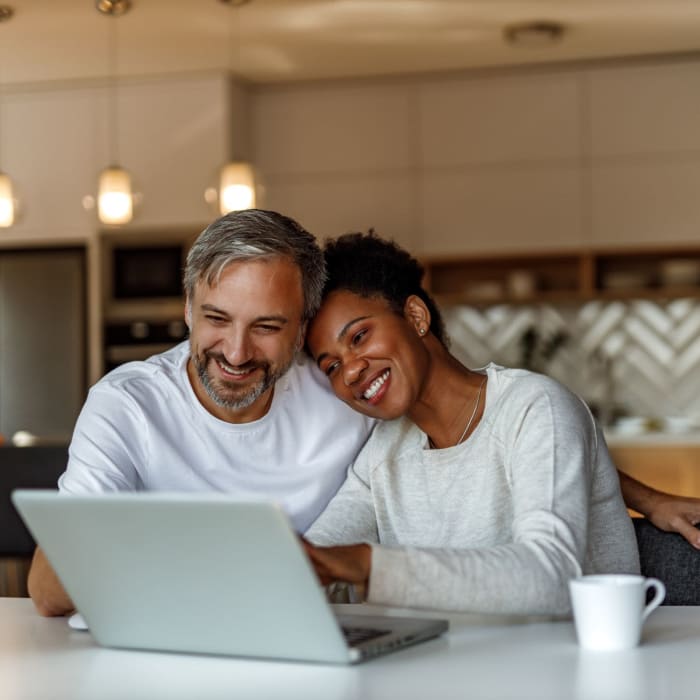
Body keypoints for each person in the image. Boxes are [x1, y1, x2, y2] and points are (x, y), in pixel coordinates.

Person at [27, 209, 374, 616]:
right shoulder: (127, 405)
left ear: (301, 330)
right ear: (189, 308)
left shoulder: (347, 400)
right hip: (167, 646)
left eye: (266, 327)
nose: (236, 352)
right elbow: (50, 592)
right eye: (217, 318)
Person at [302, 231, 641, 614]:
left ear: (415, 316)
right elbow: (317, 559)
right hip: (452, 667)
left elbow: (553, 575)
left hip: (567, 667)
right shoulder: (383, 453)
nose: (350, 371)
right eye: (331, 366)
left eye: (360, 336)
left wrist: (368, 565)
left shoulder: (536, 408)